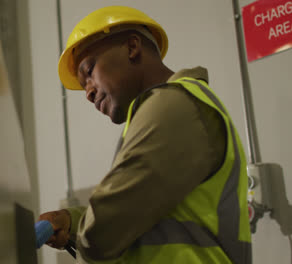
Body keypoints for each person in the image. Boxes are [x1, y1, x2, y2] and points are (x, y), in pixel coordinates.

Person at [38, 6, 251, 264]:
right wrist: (71, 222)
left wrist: (84, 234)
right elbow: (144, 218)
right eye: (84, 87)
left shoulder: (173, 106)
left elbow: (105, 231)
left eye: (90, 71)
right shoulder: (171, 108)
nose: (89, 93)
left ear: (131, 47)